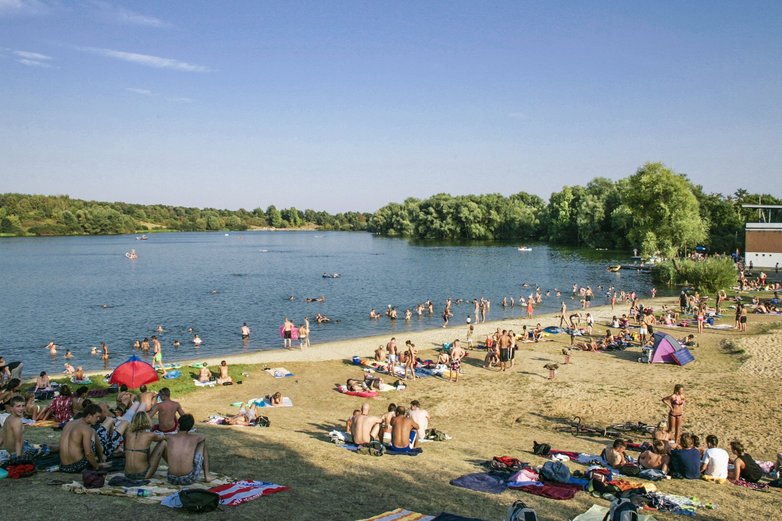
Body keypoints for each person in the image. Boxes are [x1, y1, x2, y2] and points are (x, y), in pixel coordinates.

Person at [0, 396, 55, 462]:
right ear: (12, 408)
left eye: (23, 406)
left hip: (11, 451)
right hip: (21, 451)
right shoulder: (17, 421)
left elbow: (1, 437)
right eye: (18, 406)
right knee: (50, 448)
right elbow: (18, 441)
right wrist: (18, 459)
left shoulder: (8, 418)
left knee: (39, 446)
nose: (21, 409)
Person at [59, 403, 109, 473]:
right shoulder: (86, 428)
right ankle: (101, 459)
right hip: (77, 466)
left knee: (92, 432)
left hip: (63, 467)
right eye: (97, 417)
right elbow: (88, 453)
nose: (98, 419)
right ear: (89, 416)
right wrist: (96, 466)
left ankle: (101, 459)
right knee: (93, 432)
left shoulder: (69, 423)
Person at [164, 414, 211, 485]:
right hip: (189, 479)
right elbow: (204, 436)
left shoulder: (169, 437)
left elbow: (158, 437)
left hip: (171, 478)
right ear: (191, 427)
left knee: (162, 444)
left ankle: (173, 466)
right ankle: (207, 475)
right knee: (202, 443)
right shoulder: (196, 438)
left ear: (178, 425)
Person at [124, 411, 167, 480]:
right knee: (163, 443)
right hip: (143, 474)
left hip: (128, 474)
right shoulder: (150, 435)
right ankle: (173, 468)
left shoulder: (128, 434)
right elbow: (163, 437)